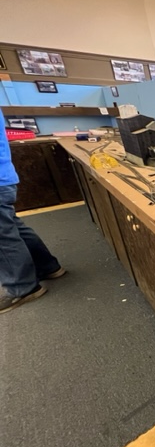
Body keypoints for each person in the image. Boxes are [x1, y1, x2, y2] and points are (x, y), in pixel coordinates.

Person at [0, 109, 65, 313]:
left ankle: (22, 287)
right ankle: (47, 266)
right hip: (4, 177)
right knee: (12, 227)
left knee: (3, 237)